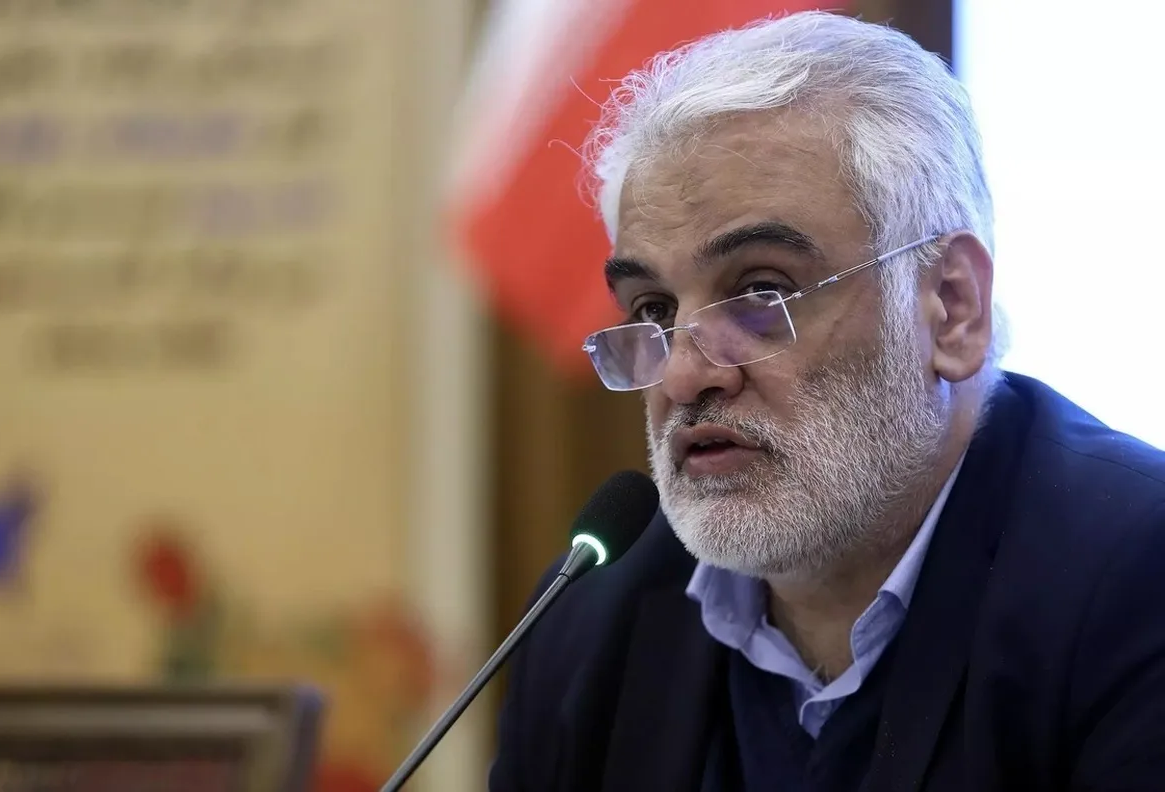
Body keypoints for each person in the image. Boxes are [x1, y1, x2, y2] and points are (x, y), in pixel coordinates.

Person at [487, 10, 1165, 792]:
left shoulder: (1137, 581)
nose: (682, 377)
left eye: (761, 292)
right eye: (654, 310)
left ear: (951, 308)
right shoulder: (586, 621)